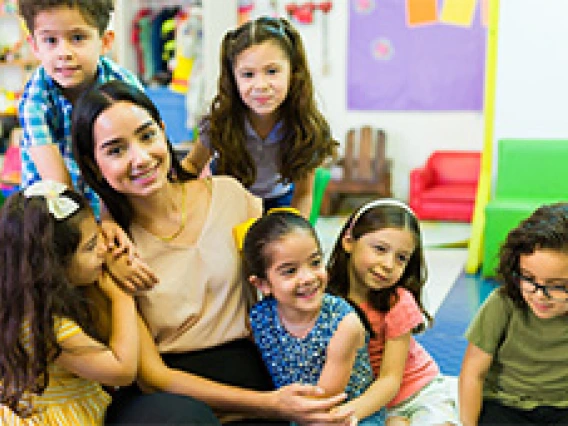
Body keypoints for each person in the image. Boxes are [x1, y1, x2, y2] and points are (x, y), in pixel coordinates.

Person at [71, 79, 355, 425]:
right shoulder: (110, 248)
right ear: (93, 162)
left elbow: (284, 285)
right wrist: (270, 404)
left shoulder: (232, 196)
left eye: (147, 136)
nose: (141, 158)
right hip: (169, 395)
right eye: (116, 150)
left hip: (254, 372)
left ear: (163, 131)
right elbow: (153, 377)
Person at [16, 0, 156, 292]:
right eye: (50, 40)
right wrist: (98, 243)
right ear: (34, 45)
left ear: (105, 41)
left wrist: (108, 220)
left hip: (114, 197)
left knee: (129, 274)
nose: (63, 53)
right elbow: (60, 189)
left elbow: (132, 158)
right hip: (57, 213)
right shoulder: (35, 101)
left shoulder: (123, 86)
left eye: (77, 38)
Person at [0, 180, 138, 425]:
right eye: (90, 246)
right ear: (54, 267)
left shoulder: (21, 298)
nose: (104, 250)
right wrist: (122, 296)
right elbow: (123, 370)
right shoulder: (47, 326)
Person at [240, 209, 387, 425]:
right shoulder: (260, 317)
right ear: (262, 284)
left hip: (340, 414)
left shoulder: (344, 324)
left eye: (315, 262)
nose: (308, 277)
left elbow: (323, 400)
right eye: (290, 271)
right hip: (293, 411)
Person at [181, 16, 338, 218]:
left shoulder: (307, 127)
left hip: (281, 201)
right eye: (248, 74)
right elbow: (192, 166)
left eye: (272, 71)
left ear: (293, 73)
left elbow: (304, 194)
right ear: (233, 78)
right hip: (230, 201)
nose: (261, 85)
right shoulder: (219, 123)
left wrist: (297, 233)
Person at [327, 199, 459, 426]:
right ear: (348, 241)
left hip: (417, 393)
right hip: (369, 399)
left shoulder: (397, 302)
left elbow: (390, 379)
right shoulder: (323, 291)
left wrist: (347, 413)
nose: (389, 264)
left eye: (401, 258)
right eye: (380, 249)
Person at [459, 203, 568, 426]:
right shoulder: (503, 303)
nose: (539, 296)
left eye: (556, 286)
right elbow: (472, 375)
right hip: (505, 405)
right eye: (528, 278)